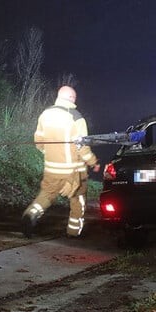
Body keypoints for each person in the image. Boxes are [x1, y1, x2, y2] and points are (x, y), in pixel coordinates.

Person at [21, 86, 100, 238]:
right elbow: (82, 147)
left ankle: (31, 214)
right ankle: (73, 232)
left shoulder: (45, 114)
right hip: (74, 172)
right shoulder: (76, 117)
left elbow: (39, 141)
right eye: (74, 98)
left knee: (46, 195)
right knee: (78, 199)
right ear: (72, 98)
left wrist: (50, 154)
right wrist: (93, 162)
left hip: (52, 169)